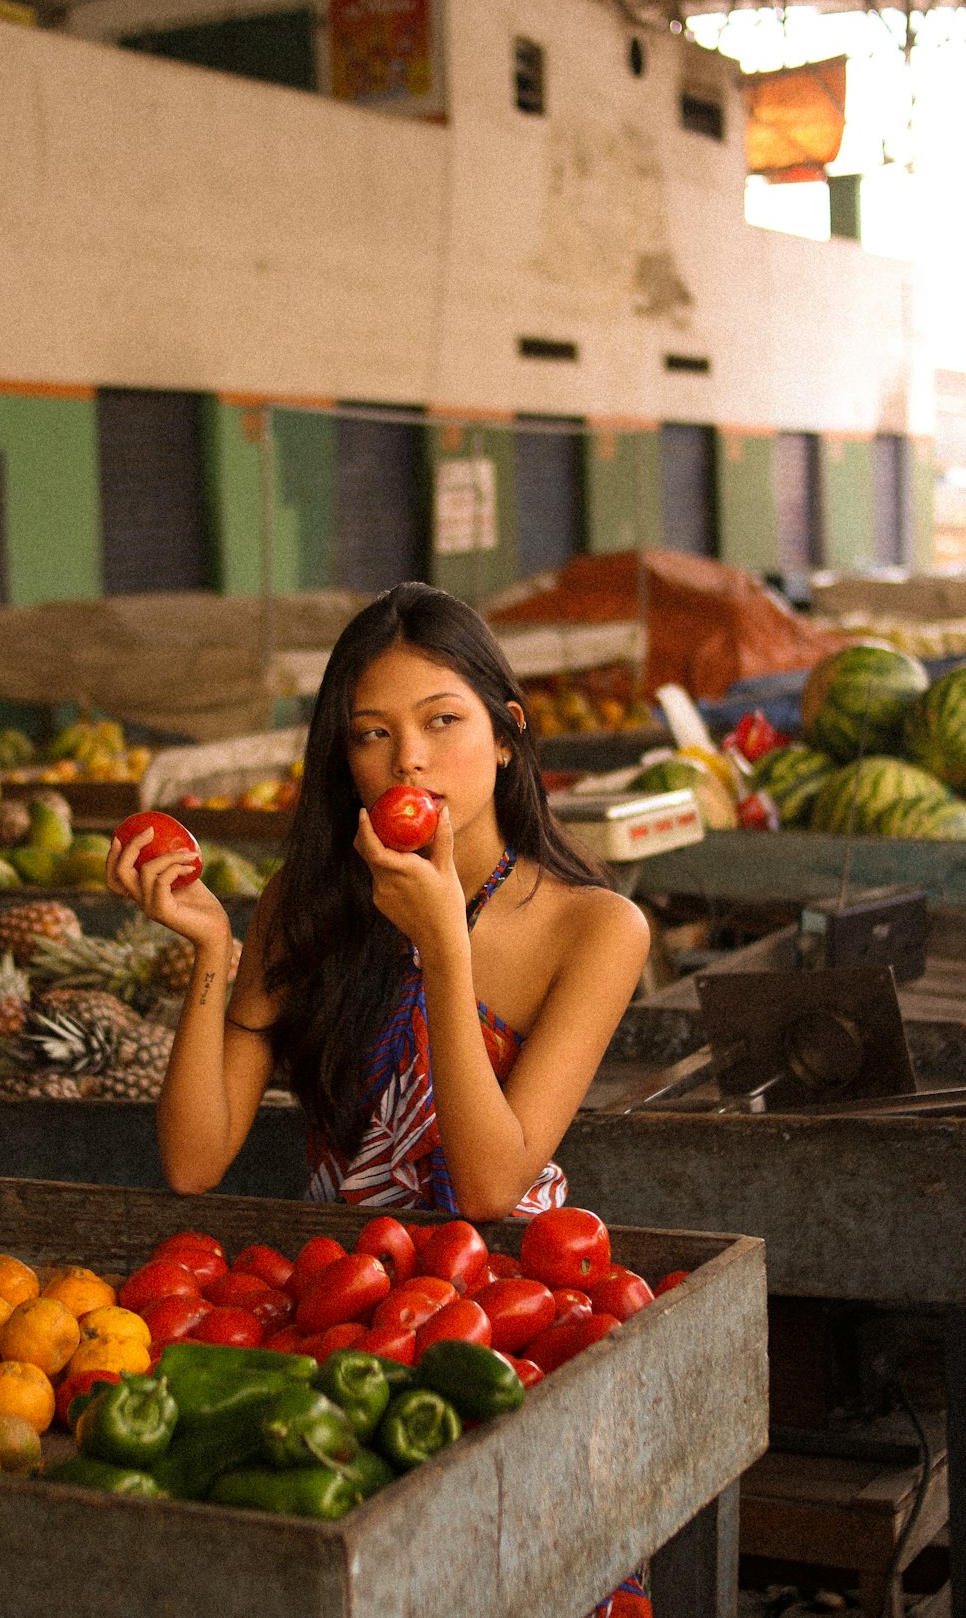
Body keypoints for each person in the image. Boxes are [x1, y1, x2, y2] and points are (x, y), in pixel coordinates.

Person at [106, 581, 652, 1615]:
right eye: (372, 734)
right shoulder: (304, 912)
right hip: (338, 1326)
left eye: (442, 722)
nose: (408, 759)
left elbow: (492, 1183)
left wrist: (446, 946)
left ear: (504, 737)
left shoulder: (595, 927)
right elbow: (193, 1161)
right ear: (344, 760)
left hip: (512, 1332)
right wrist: (215, 952)